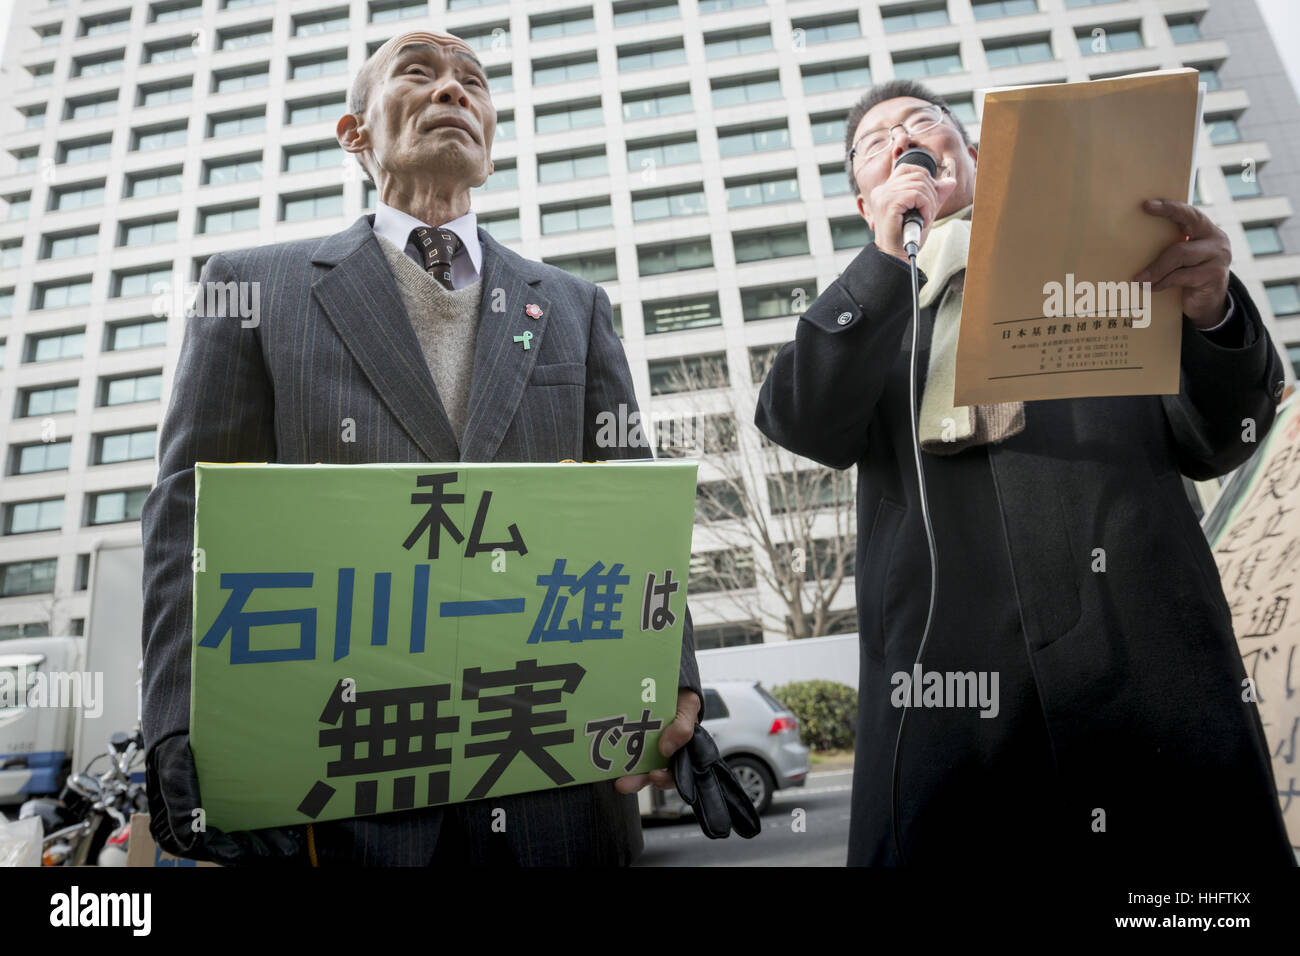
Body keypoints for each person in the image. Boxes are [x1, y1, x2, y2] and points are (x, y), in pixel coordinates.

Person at [141, 29, 702, 866]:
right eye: (420, 73)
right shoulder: (251, 286)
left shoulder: (574, 306)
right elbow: (189, 514)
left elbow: (634, 500)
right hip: (339, 785)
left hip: (550, 777)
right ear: (354, 133)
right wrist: (180, 725)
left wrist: (675, 677)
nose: (453, 91)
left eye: (473, 82)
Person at [754, 78, 1296, 866]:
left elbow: (1221, 436)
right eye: (872, 144)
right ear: (862, 198)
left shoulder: (1104, 264)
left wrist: (1212, 311)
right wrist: (880, 266)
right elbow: (797, 418)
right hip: (946, 689)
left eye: (923, 124)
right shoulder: (870, 306)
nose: (902, 140)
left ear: (973, 155)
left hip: (1142, 658)